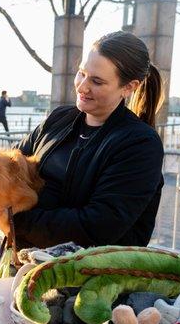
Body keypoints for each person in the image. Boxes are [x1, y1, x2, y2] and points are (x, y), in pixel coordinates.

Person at [13, 31, 164, 249]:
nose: (82, 86)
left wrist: (12, 220)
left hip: (87, 277)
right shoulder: (58, 119)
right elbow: (11, 165)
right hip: (23, 264)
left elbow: (98, 226)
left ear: (129, 87)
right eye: (81, 73)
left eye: (97, 81)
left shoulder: (140, 144)